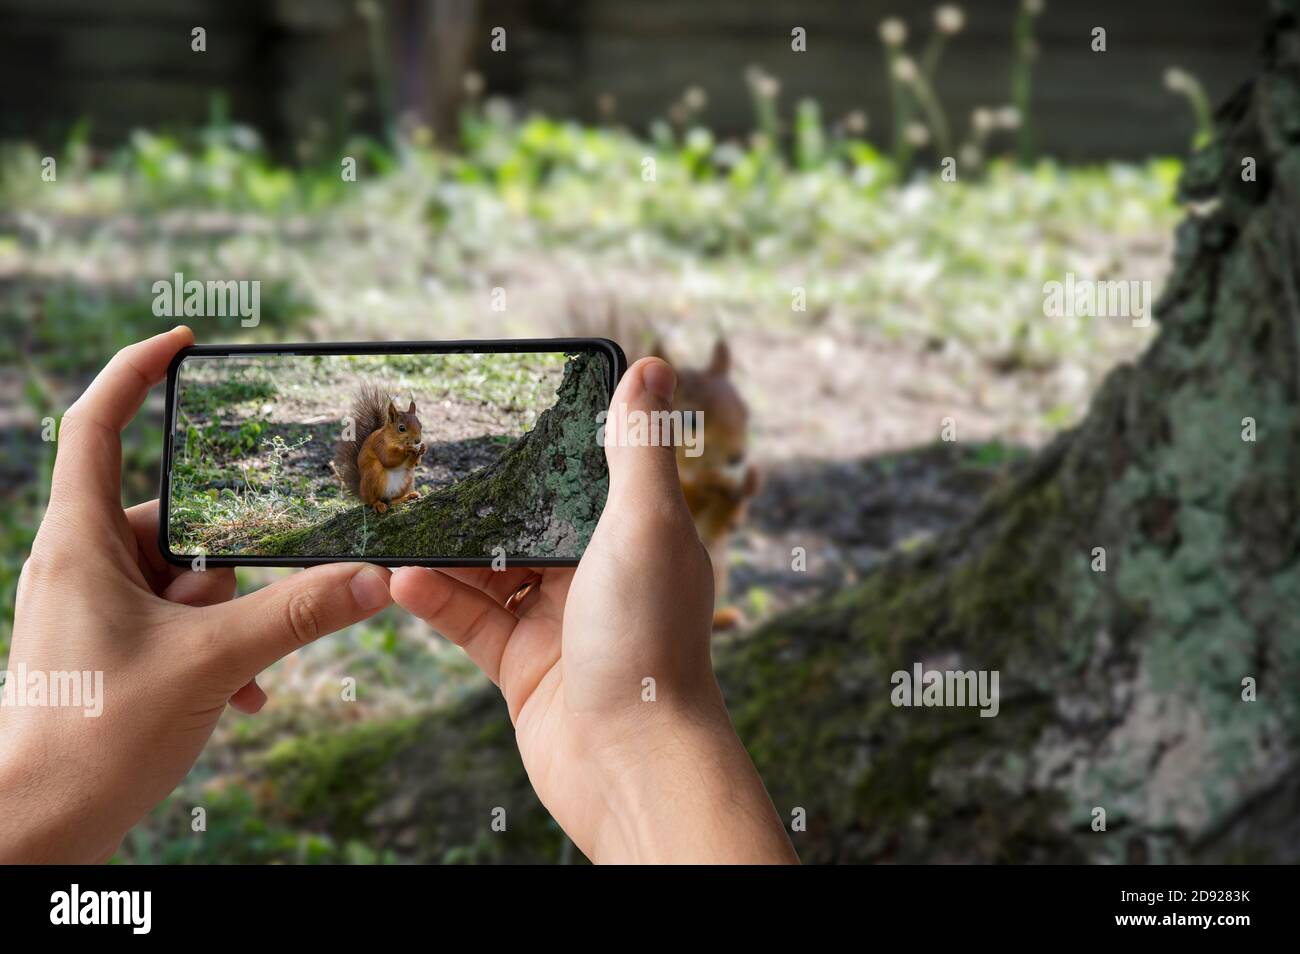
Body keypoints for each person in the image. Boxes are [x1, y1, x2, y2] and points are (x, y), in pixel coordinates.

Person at [0, 327, 797, 864]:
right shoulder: (382, 448)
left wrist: (636, 725)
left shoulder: (413, 443)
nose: (414, 441)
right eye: (407, 435)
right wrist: (647, 729)